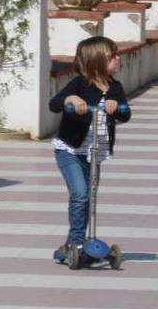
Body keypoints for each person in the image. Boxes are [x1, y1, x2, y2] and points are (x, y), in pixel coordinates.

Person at [47, 36, 131, 264]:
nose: (118, 59)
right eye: (112, 56)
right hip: (71, 151)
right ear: (96, 61)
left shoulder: (115, 87)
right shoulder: (79, 84)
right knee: (80, 194)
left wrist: (116, 108)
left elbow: (125, 114)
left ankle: (71, 245)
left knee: (89, 199)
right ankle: (78, 243)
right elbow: (55, 104)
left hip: (95, 153)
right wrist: (72, 99)